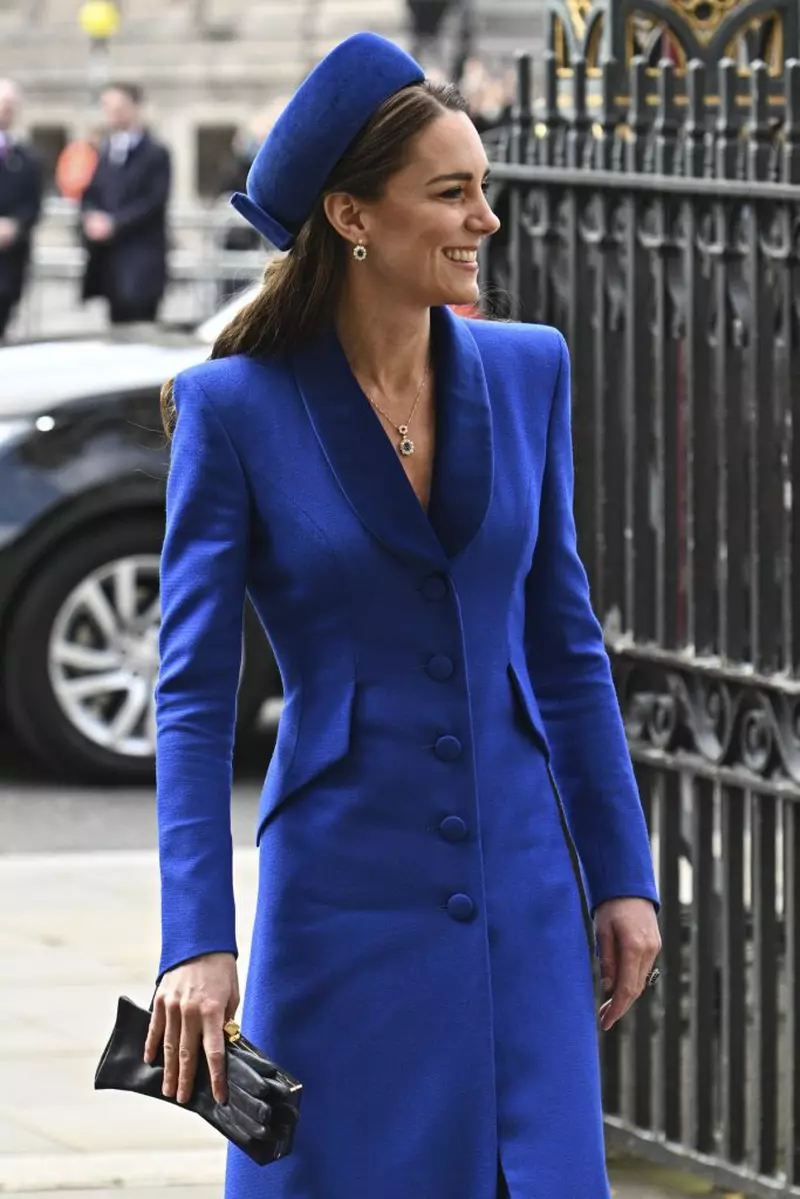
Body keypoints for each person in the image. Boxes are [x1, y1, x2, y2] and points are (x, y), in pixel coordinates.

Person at [145, 31, 661, 1199]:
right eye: (451, 191)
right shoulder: (233, 410)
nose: (485, 217)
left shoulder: (528, 370)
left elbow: (564, 647)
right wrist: (197, 939)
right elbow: (191, 699)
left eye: (483, 186)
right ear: (351, 216)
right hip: (341, 899)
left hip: (524, 888)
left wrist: (619, 874)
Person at [80, 82, 171, 324]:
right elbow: (92, 192)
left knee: (141, 326)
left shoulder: (156, 153)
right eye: (108, 107)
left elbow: (154, 201)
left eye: (119, 107)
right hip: (110, 262)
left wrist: (114, 223)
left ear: (135, 107)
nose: (113, 113)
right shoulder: (105, 150)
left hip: (141, 261)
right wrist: (90, 216)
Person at [0, 80, 43, 342]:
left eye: (10, 105)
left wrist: (14, 226)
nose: (5, 110)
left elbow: (33, 204)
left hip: (9, 260)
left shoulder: (27, 158)